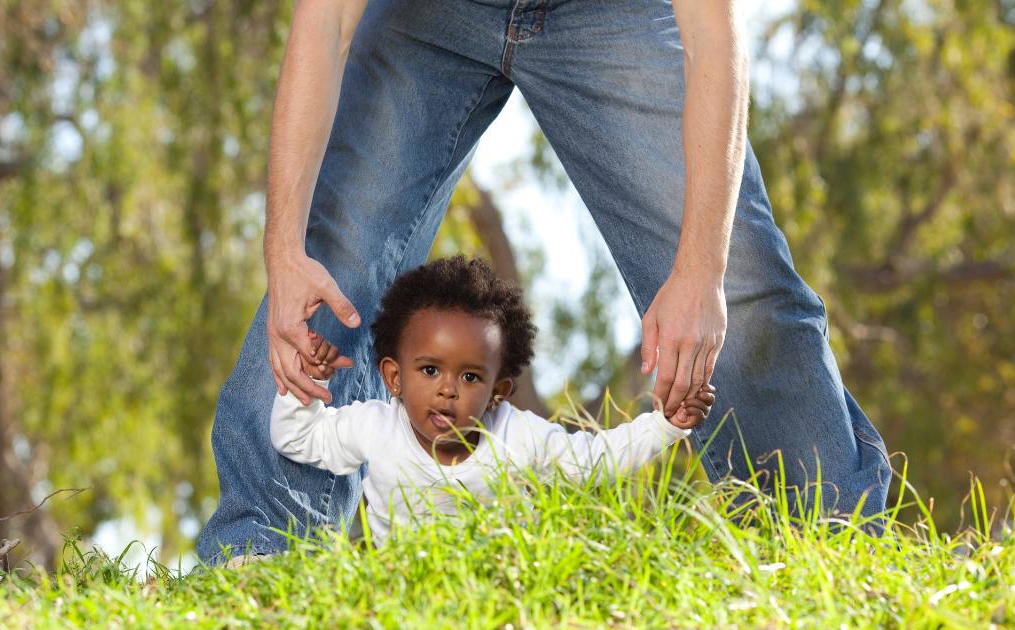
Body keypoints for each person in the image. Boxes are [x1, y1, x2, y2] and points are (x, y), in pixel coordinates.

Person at [198, 0, 892, 565]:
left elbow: (714, 34)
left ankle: (828, 543)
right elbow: (323, 19)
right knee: (328, 267)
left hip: (610, 14)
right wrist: (283, 248)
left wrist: (703, 270)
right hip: (426, 14)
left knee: (739, 287)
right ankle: (259, 558)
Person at [270, 257, 715, 541]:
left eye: (469, 376)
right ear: (394, 377)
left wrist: (665, 426)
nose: (447, 389)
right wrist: (304, 386)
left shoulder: (517, 436)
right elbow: (296, 438)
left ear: (496, 394)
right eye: (429, 370)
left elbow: (594, 462)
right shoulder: (375, 427)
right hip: (399, 591)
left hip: (497, 584)